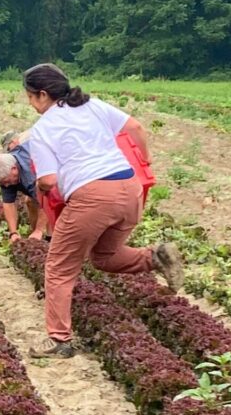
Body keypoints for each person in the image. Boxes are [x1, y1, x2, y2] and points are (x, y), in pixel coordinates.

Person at [21, 63, 183, 360]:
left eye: (30, 97)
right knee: (104, 257)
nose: (30, 104)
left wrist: (44, 194)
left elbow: (47, 180)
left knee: (59, 267)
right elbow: (136, 128)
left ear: (42, 94)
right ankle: (155, 257)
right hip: (129, 187)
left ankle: (59, 340)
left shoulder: (43, 129)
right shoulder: (92, 105)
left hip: (92, 197)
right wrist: (144, 162)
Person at [0, 143, 48, 241]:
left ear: (14, 169)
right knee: (31, 201)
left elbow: (47, 201)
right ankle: (36, 237)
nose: (6, 185)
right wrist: (13, 233)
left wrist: (39, 230)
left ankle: (49, 236)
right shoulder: (5, 174)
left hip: (59, 172)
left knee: (58, 208)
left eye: (7, 181)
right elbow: (8, 204)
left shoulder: (31, 175)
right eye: (2, 183)